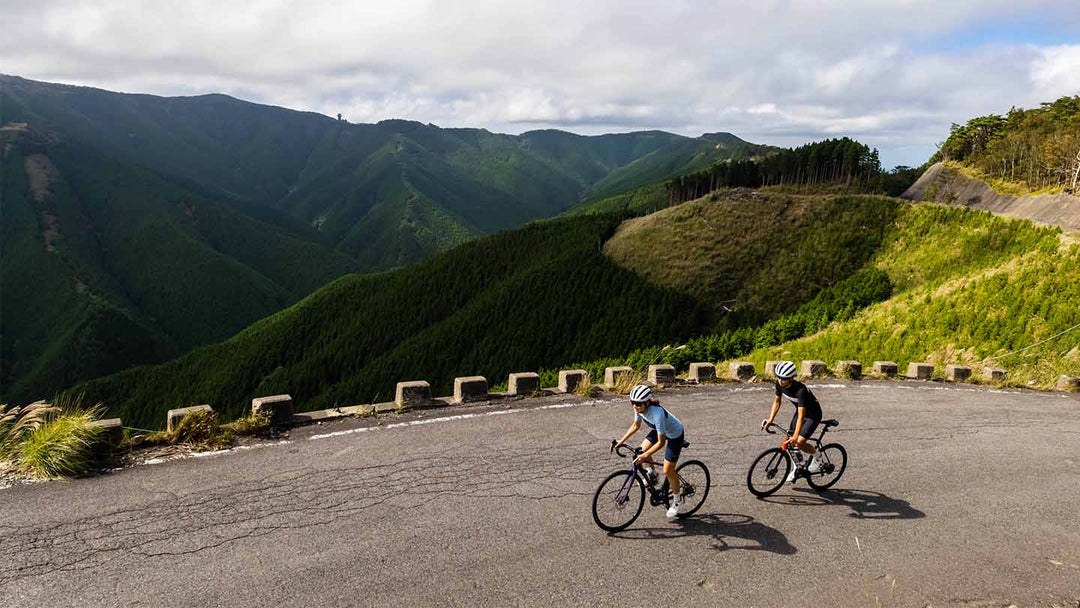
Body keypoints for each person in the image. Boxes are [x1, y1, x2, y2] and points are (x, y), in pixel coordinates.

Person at [615, 384, 687, 518]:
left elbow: (661, 442)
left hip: (674, 435)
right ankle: (652, 473)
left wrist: (646, 455)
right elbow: (636, 425)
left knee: (668, 470)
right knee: (640, 451)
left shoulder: (657, 414)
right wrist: (622, 441)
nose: (634, 406)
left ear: (647, 403)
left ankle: (677, 500)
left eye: (638, 404)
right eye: (632, 402)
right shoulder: (639, 409)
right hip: (659, 430)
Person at [761, 361, 825, 482]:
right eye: (778, 377)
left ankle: (818, 458)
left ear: (791, 378)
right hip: (801, 412)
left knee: (799, 442)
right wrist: (770, 419)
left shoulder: (800, 390)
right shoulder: (779, 384)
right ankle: (797, 466)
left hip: (813, 414)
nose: (780, 381)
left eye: (784, 379)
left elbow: (801, 416)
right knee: (787, 441)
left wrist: (796, 435)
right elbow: (777, 402)